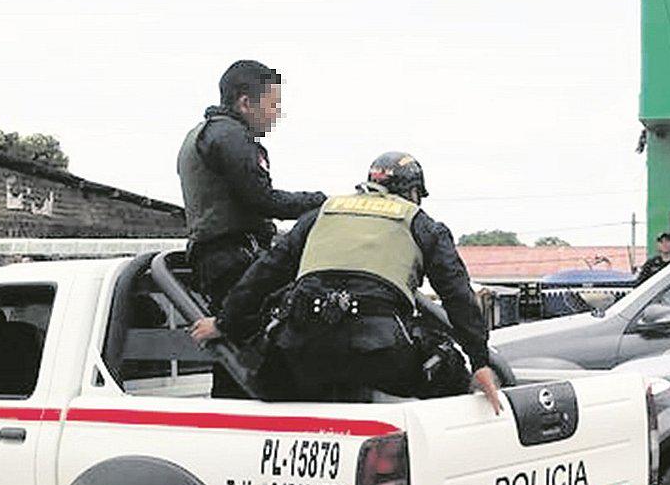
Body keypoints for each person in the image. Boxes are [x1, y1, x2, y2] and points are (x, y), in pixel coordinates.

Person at [189, 152, 502, 413]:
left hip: (301, 349)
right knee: (445, 364)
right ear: (412, 192)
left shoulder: (321, 214)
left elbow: (265, 272)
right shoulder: (420, 223)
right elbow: (458, 297)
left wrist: (224, 323)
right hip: (380, 351)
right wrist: (479, 362)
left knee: (277, 372)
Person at [179, 60, 325, 397]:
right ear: (246, 103)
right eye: (272, 105)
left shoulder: (205, 134)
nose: (276, 115)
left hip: (219, 256)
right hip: (231, 257)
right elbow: (263, 199)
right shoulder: (229, 136)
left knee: (235, 350)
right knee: (261, 345)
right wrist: (321, 202)